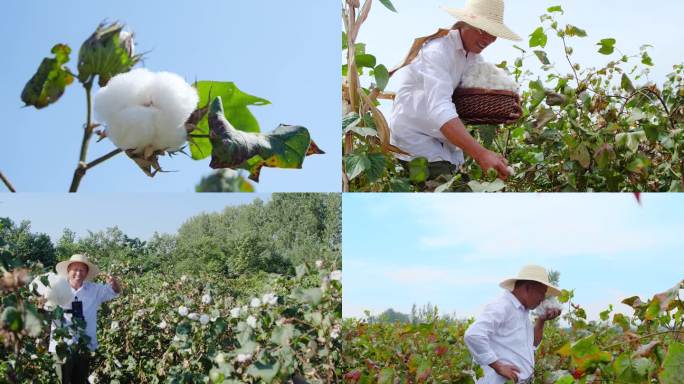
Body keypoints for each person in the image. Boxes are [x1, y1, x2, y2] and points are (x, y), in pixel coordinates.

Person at [389, 0, 521, 181]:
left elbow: (474, 102)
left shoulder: (473, 58)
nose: (489, 39)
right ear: (464, 23)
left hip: (446, 146)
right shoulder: (438, 51)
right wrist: (481, 153)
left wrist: (506, 111)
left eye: (494, 34)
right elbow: (439, 108)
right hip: (416, 142)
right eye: (484, 30)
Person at [464, 265, 562, 383]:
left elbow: (532, 344)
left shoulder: (522, 311)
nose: (542, 298)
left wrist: (541, 320)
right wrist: (498, 366)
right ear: (528, 288)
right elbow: (473, 335)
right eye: (542, 293)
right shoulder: (502, 306)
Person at [49, 254, 122, 384]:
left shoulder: (94, 289)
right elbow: (43, 305)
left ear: (87, 272)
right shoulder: (56, 287)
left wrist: (115, 283)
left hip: (84, 345)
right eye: (75, 269)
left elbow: (115, 292)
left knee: (80, 380)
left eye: (82, 270)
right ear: (68, 271)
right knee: (61, 380)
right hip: (62, 345)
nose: (78, 273)